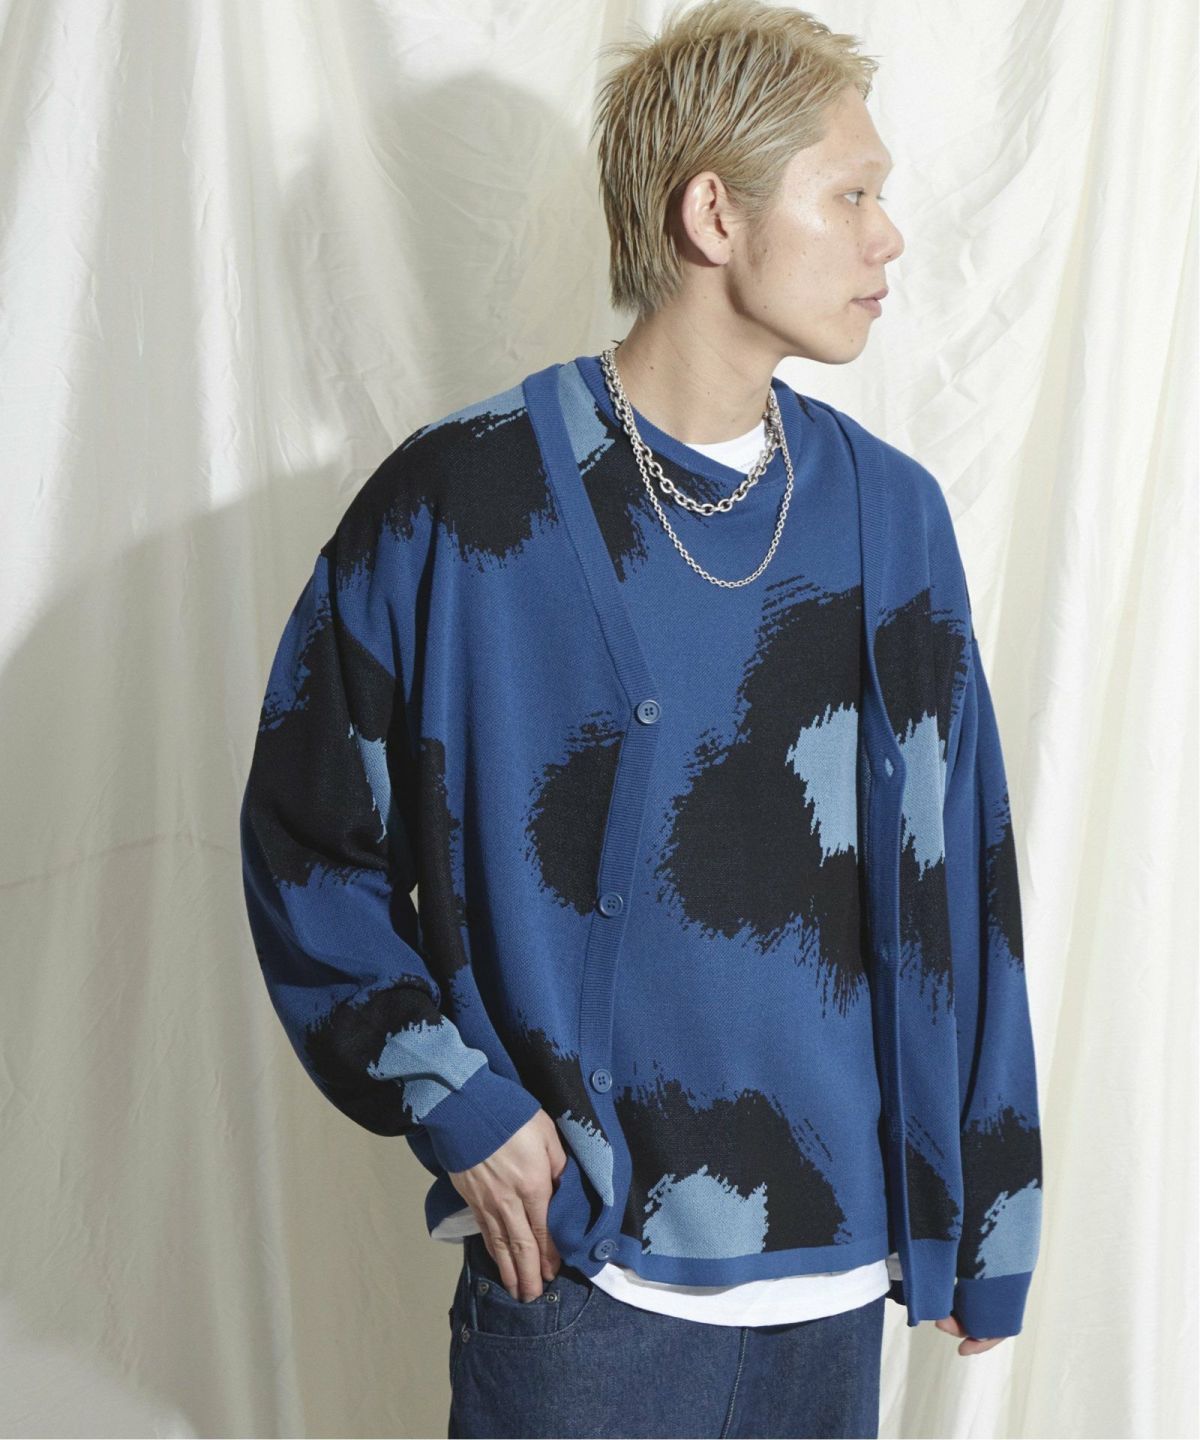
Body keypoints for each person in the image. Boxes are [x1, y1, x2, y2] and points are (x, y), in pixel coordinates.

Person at [238, 1, 1044, 1435]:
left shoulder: (893, 519)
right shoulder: (463, 506)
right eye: (852, 195)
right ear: (714, 214)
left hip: (833, 1294)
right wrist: (458, 1102)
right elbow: (307, 842)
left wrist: (987, 1217)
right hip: (584, 1296)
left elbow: (962, 882)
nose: (889, 239)